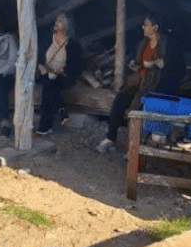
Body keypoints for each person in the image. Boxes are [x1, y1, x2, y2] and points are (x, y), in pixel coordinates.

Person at [97, 12, 167, 153]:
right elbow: (138, 63)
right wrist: (134, 66)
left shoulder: (164, 45)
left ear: (155, 28)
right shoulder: (143, 44)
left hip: (153, 85)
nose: (143, 28)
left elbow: (169, 65)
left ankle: (133, 148)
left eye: (146, 25)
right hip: (137, 81)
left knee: (137, 108)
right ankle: (110, 138)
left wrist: (159, 64)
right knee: (119, 101)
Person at [35, 11, 82, 135]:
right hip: (45, 73)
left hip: (63, 76)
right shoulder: (47, 39)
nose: (57, 22)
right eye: (57, 20)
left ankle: (45, 126)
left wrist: (58, 71)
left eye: (61, 21)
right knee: (49, 83)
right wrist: (41, 67)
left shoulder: (73, 44)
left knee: (50, 85)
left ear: (68, 25)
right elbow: (39, 57)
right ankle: (61, 110)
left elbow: (75, 67)